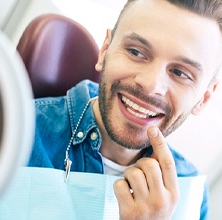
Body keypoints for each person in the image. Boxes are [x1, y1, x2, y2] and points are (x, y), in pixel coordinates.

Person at [29, 0, 222, 219]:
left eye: (180, 73)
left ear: (204, 99)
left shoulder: (192, 195)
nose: (151, 85)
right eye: (136, 52)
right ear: (105, 51)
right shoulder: (16, 133)